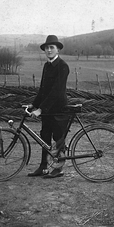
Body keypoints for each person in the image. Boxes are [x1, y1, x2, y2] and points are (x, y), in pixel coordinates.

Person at [28, 35, 70, 178]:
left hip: (59, 109)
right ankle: (43, 166)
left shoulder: (63, 66)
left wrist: (40, 109)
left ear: (58, 49)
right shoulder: (46, 66)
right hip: (47, 110)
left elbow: (57, 91)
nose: (49, 50)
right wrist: (33, 104)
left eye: (52, 47)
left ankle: (59, 169)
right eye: (47, 48)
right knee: (44, 137)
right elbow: (43, 90)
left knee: (58, 139)